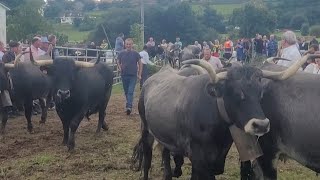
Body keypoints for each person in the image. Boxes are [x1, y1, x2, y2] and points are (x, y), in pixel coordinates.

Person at [117, 38, 142, 115]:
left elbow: (140, 63)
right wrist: (119, 67)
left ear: (132, 45)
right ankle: (128, 105)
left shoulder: (135, 53)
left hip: (133, 76)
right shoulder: (121, 53)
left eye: (130, 44)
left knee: (130, 91)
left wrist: (140, 74)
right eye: (127, 44)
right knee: (126, 92)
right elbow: (118, 61)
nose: (128, 45)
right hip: (124, 75)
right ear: (125, 45)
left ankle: (129, 107)